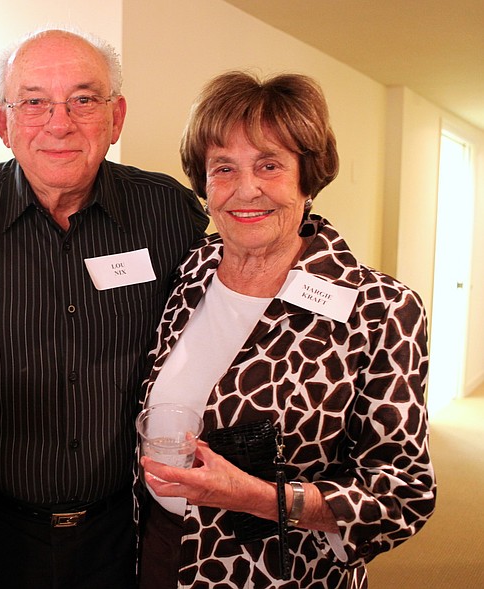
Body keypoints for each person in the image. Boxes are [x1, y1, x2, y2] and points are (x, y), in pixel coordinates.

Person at [0, 28, 208, 589]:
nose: (59, 123)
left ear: (116, 117)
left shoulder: (169, 211)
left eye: (83, 99)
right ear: (2, 124)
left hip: (128, 527)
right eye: (33, 102)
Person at [136, 70, 436, 588]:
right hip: (158, 550)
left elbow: (402, 496)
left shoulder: (380, 309)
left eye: (269, 165)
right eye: (223, 168)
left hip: (283, 573)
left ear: (307, 178)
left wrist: (260, 497)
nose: (245, 189)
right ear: (204, 185)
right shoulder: (187, 273)